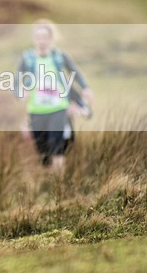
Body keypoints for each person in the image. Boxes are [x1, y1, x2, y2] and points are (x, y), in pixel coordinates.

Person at [17, 20, 93, 172]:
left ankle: (60, 188)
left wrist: (85, 88)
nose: (42, 41)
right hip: (36, 110)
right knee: (43, 152)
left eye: (45, 37)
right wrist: (20, 92)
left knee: (57, 147)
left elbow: (75, 72)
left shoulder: (60, 57)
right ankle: (49, 180)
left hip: (58, 108)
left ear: (51, 39)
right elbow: (15, 82)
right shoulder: (27, 59)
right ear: (34, 40)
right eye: (38, 37)